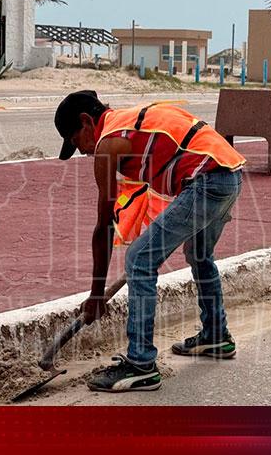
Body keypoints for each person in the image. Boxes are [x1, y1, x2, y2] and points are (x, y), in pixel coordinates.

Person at [54, 91, 246, 392]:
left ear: (86, 122)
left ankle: (140, 364)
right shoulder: (129, 124)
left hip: (206, 179)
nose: (82, 152)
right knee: (199, 255)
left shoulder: (109, 143)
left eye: (76, 141)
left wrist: (95, 295)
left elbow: (103, 225)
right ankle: (216, 335)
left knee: (139, 260)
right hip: (230, 175)